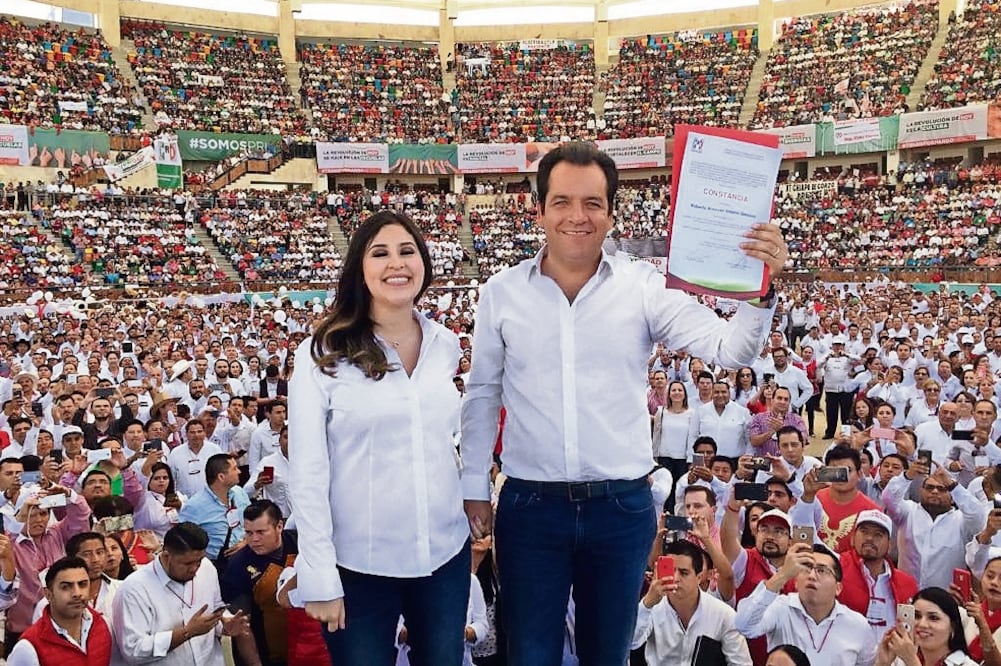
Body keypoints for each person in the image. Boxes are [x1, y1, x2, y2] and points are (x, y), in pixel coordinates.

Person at [461, 142, 785, 665]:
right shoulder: (501, 293)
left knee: (607, 655)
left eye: (592, 203)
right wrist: (475, 484)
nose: (577, 216)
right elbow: (482, 392)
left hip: (619, 507)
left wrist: (761, 290)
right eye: (562, 201)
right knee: (529, 655)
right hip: (530, 506)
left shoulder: (641, 287)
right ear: (539, 209)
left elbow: (732, 349)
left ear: (612, 213)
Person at [289, 211, 470, 666]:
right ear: (360, 269)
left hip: (443, 554)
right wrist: (320, 575)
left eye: (408, 251)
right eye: (381, 253)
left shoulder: (445, 344)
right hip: (358, 564)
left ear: (424, 262)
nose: (397, 263)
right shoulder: (321, 354)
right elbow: (309, 473)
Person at [111, 522, 250, 666]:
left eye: (199, 561)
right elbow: (133, 651)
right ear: (166, 556)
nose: (195, 568)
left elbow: (216, 606)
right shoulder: (134, 589)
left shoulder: (207, 568)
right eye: (187, 563)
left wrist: (225, 623)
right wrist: (187, 632)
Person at [734, 543, 876, 666]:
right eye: (806, 568)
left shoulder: (859, 626)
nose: (812, 576)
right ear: (795, 582)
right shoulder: (780, 608)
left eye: (822, 570)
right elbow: (743, 625)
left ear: (838, 588)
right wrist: (782, 575)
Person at [221, 500, 313, 666]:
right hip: (271, 653)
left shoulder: (303, 545)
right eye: (248, 533)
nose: (254, 539)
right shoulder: (238, 565)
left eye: (261, 532)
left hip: (313, 643)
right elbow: (243, 624)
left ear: (279, 526)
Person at [631, 539, 752, 665]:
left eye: (684, 573)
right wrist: (647, 603)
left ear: (699, 578)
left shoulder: (724, 614)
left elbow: (741, 663)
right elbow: (632, 642)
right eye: (670, 570)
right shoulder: (652, 608)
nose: (676, 578)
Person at [882, 456, 983, 589]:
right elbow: (889, 498)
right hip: (906, 594)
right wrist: (907, 476)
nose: (935, 491)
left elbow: (978, 515)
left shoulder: (961, 521)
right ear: (920, 491)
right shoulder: (908, 511)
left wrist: (952, 484)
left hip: (946, 599)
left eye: (942, 489)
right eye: (929, 487)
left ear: (953, 496)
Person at [8, 556, 112, 666]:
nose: (77, 593)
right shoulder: (28, 647)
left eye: (82, 584)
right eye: (66, 587)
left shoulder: (103, 624)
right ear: (48, 594)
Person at [836, 510, 918, 641]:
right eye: (864, 532)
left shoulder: (907, 584)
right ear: (852, 539)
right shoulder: (836, 568)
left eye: (878, 535)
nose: (869, 538)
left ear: (890, 546)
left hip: (892, 657)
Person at [874, 587, 977, 666]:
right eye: (917, 616)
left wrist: (911, 660)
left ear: (952, 627)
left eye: (933, 618)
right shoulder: (900, 661)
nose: (922, 624)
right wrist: (883, 663)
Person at [177, 454, 251, 562]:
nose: (239, 472)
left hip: (246, 555)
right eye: (234, 469)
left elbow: (252, 521)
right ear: (221, 477)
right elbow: (182, 540)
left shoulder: (239, 493)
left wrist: (246, 541)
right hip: (217, 565)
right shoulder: (194, 506)